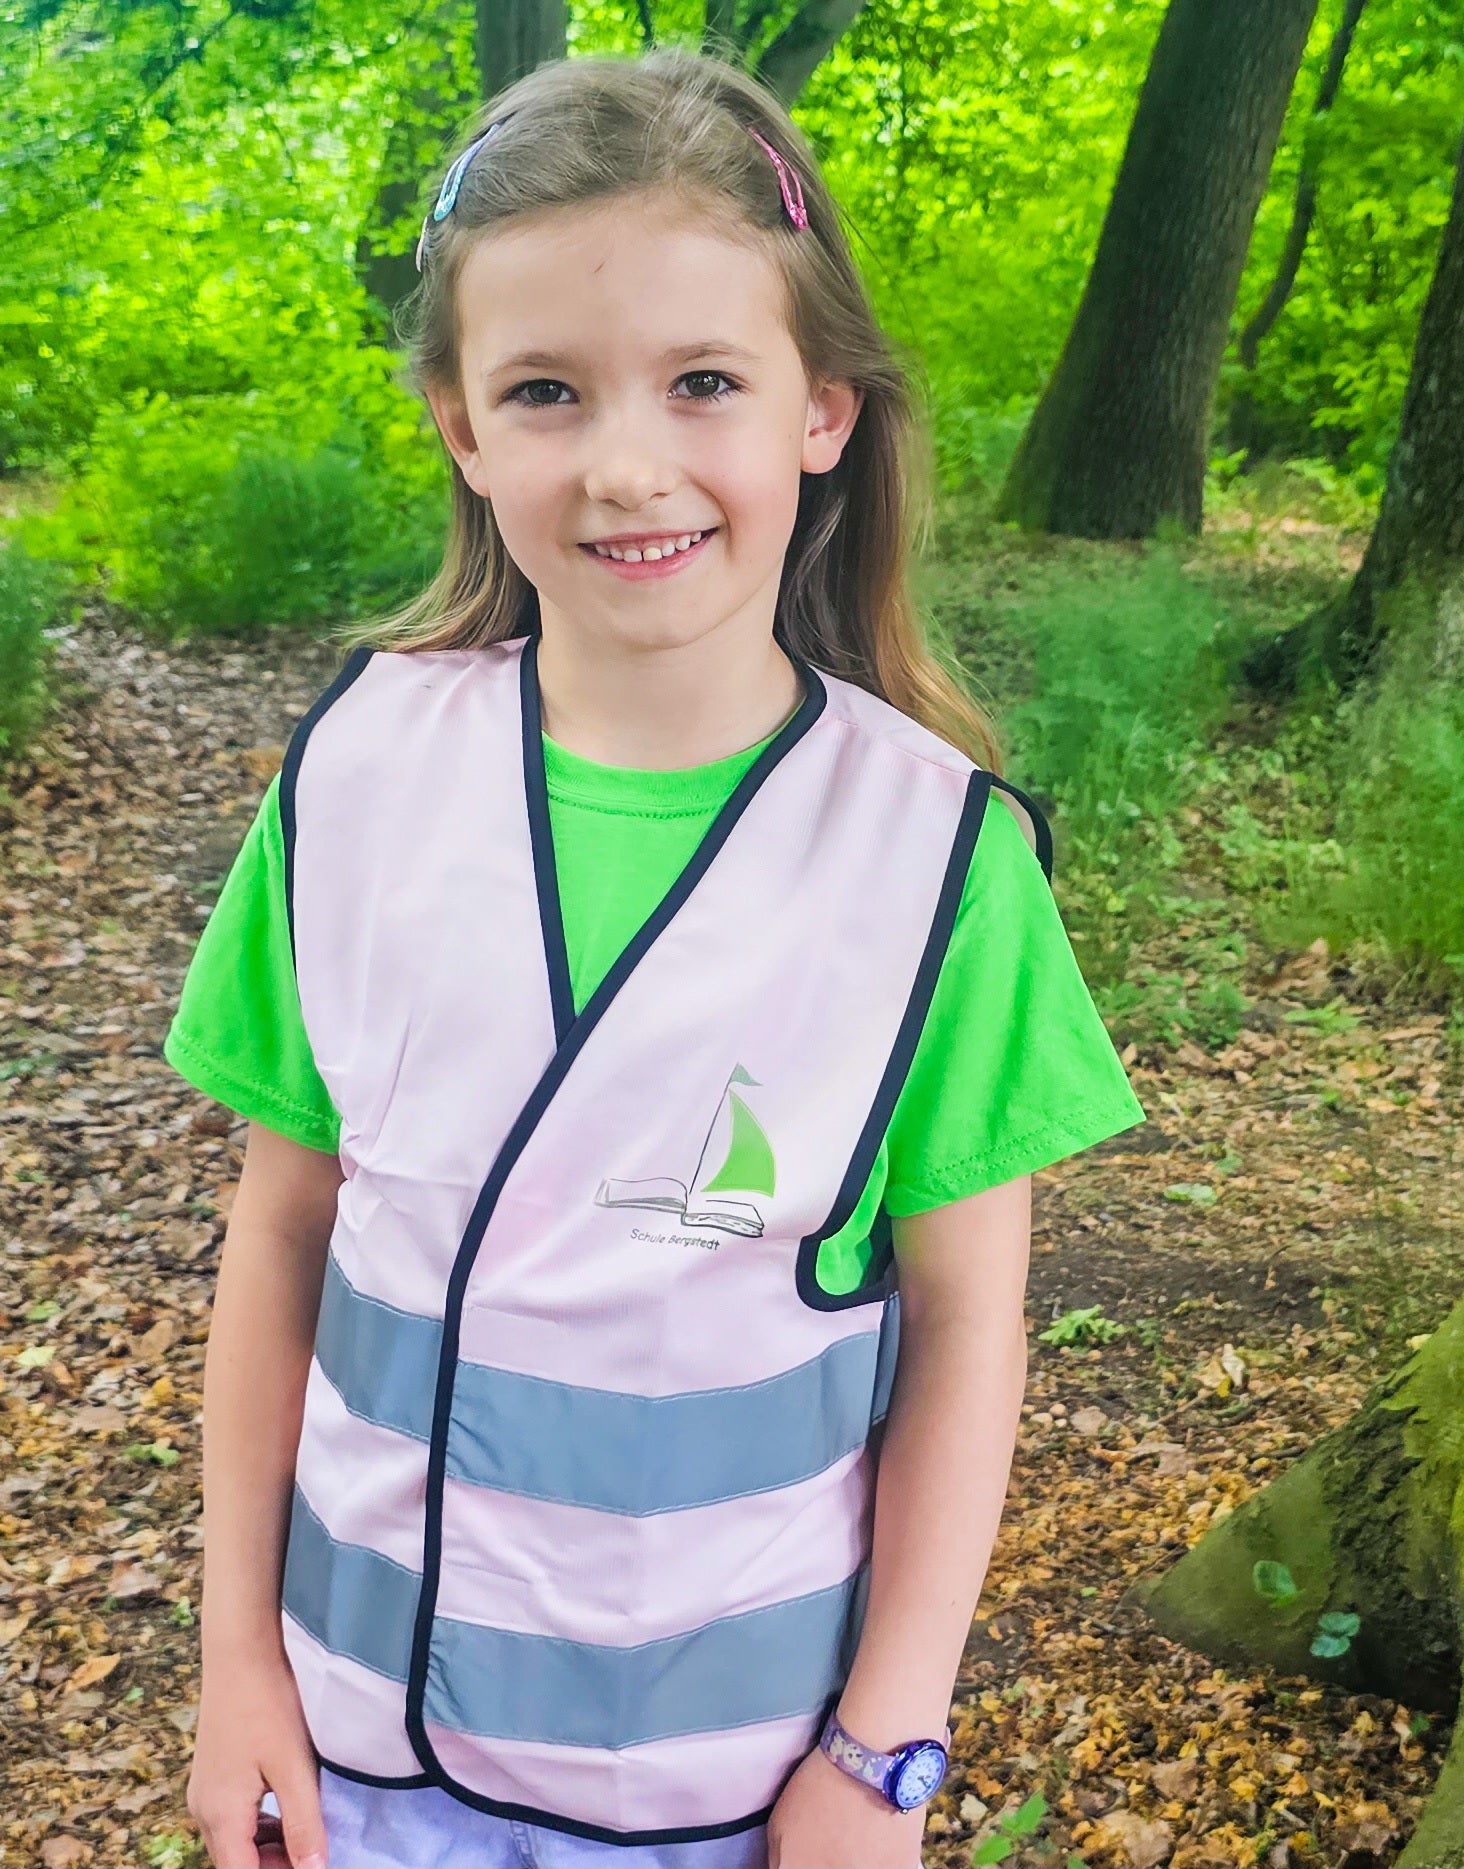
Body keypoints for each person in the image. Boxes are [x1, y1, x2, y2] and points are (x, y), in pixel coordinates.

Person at [164, 44, 1145, 1869]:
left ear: (821, 409)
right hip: (355, 1754)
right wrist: (238, 1667)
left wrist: (883, 1754)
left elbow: (968, 1330)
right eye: (544, 390)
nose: (627, 467)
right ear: (461, 427)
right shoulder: (356, 776)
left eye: (704, 381)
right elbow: (284, 1231)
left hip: (712, 1791)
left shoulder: (937, 862)